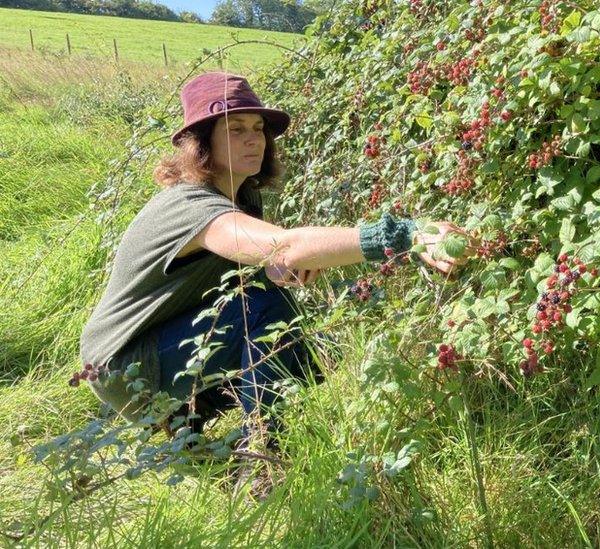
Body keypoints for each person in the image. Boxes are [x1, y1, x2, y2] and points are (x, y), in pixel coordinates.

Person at [77, 72, 474, 451]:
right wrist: (408, 235)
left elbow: (265, 259)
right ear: (200, 143)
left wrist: (273, 268)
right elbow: (283, 247)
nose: (254, 140)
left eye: (258, 129)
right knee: (268, 310)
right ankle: (266, 457)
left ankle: (194, 439)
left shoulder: (241, 198)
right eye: (235, 129)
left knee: (296, 338)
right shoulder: (188, 204)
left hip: (160, 339)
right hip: (125, 364)